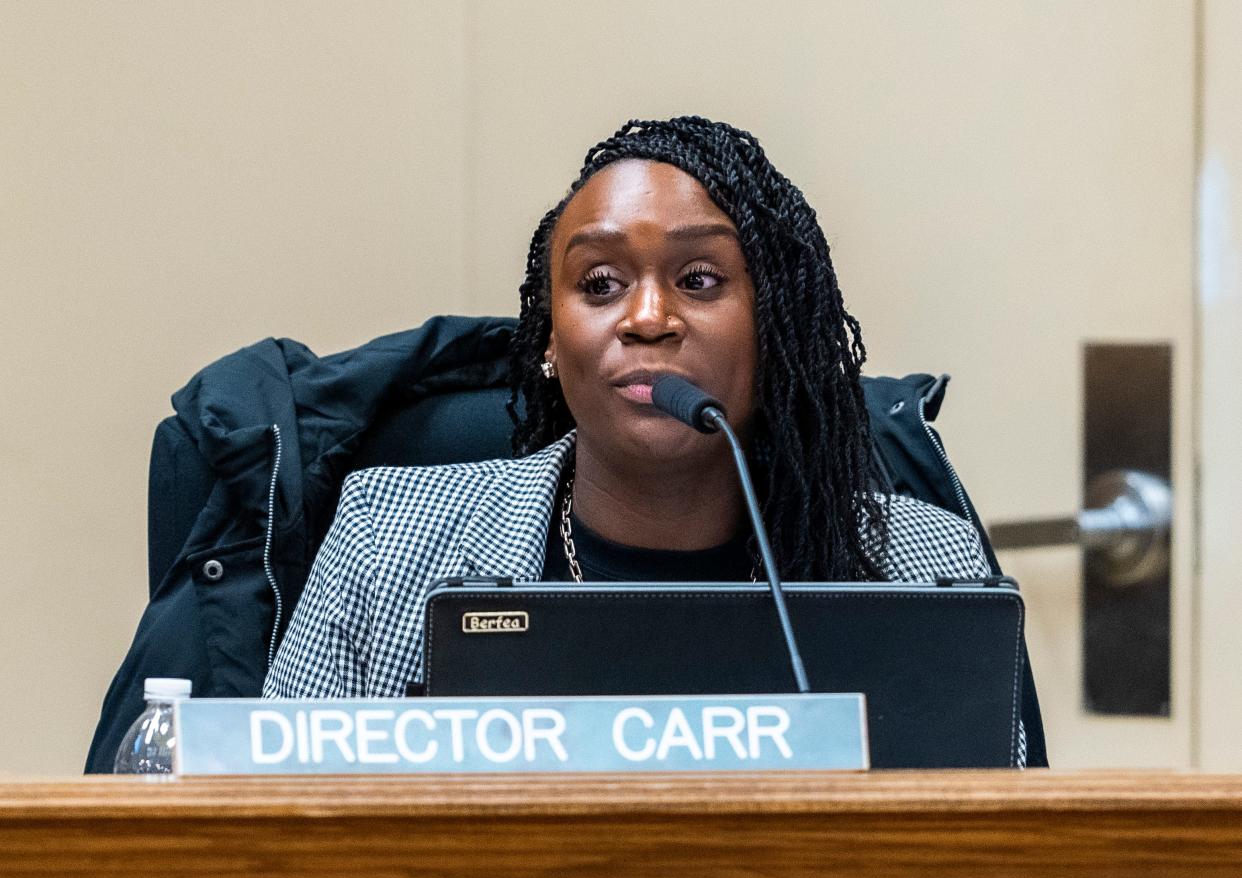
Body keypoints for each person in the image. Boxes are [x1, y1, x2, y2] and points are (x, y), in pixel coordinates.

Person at [263, 116, 1037, 761]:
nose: (646, 318)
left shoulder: (926, 565)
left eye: (699, 279)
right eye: (599, 283)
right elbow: (266, 850)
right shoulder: (387, 541)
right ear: (548, 340)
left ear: (775, 329)